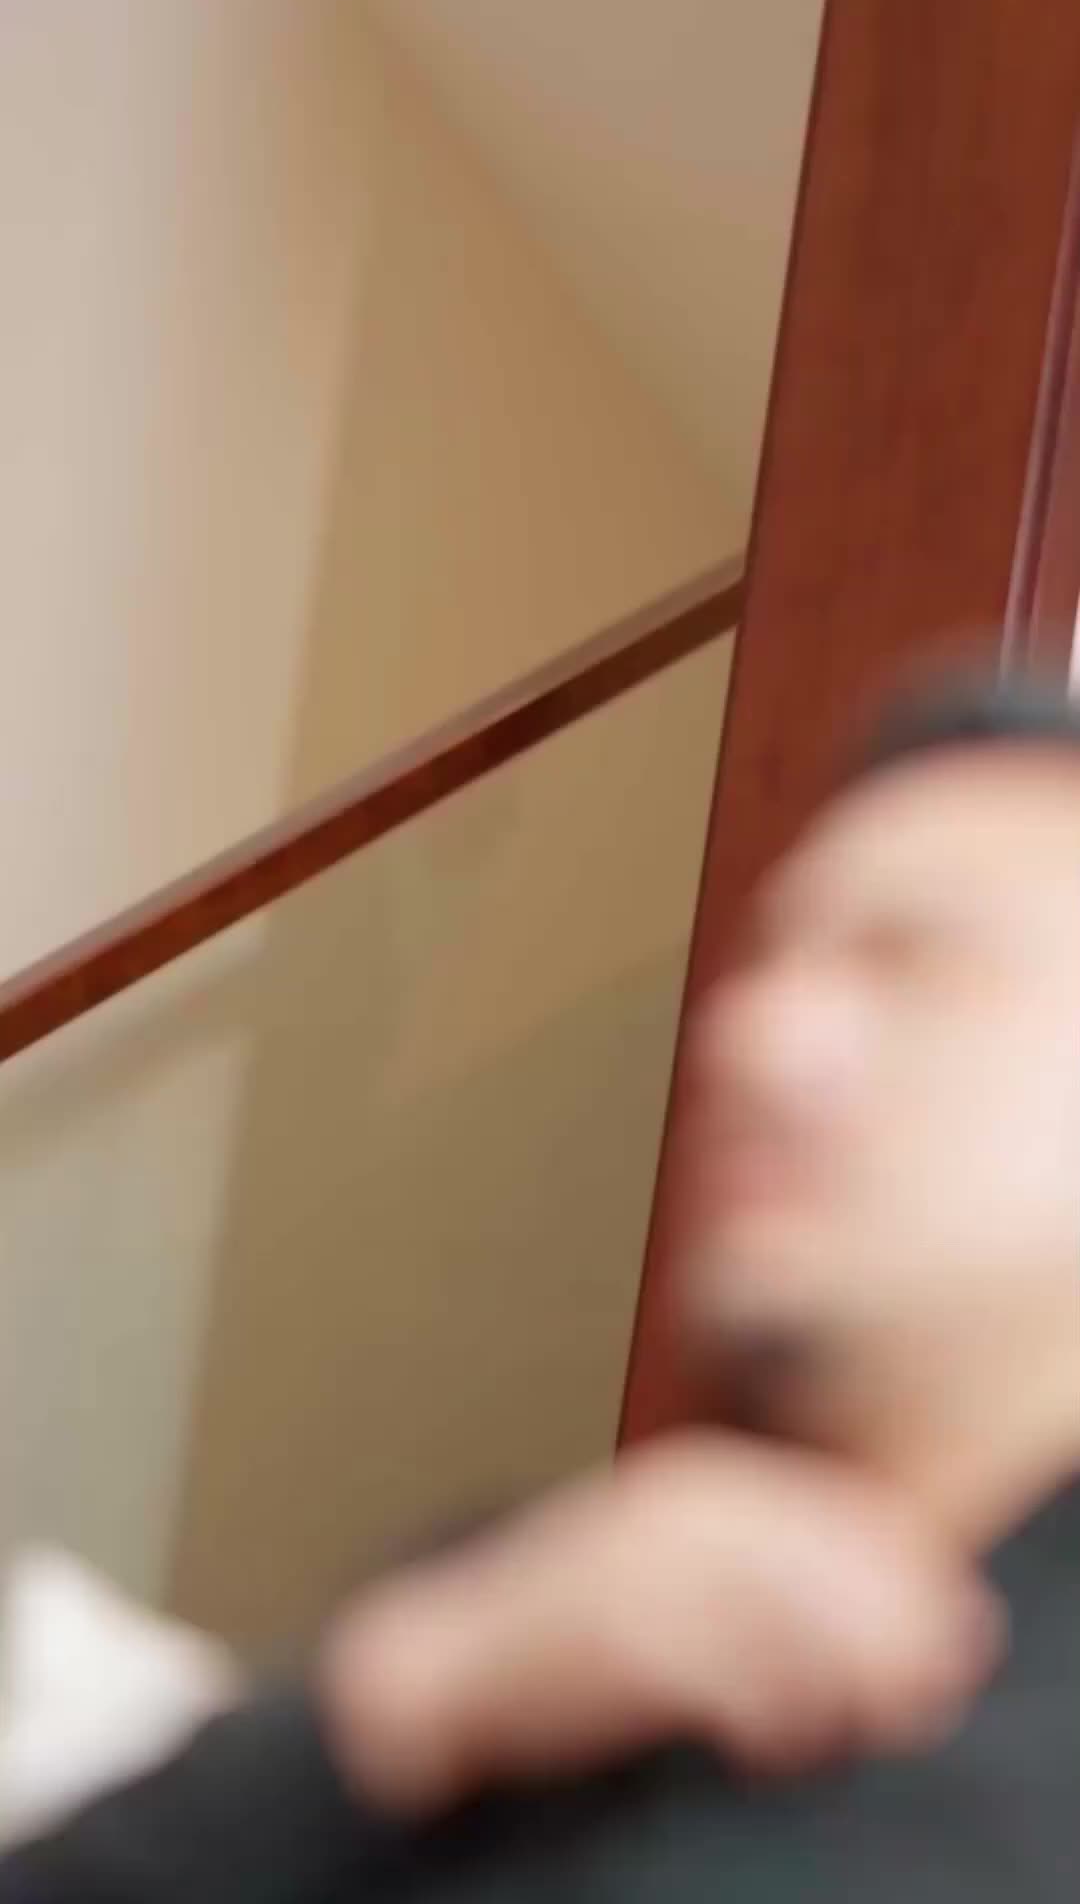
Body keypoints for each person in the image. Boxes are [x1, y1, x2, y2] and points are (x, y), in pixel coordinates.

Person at [4, 667, 1078, 1899]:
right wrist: (401, 1701)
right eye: (770, 961)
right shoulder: (535, 1623)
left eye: (918, 966)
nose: (755, 1037)